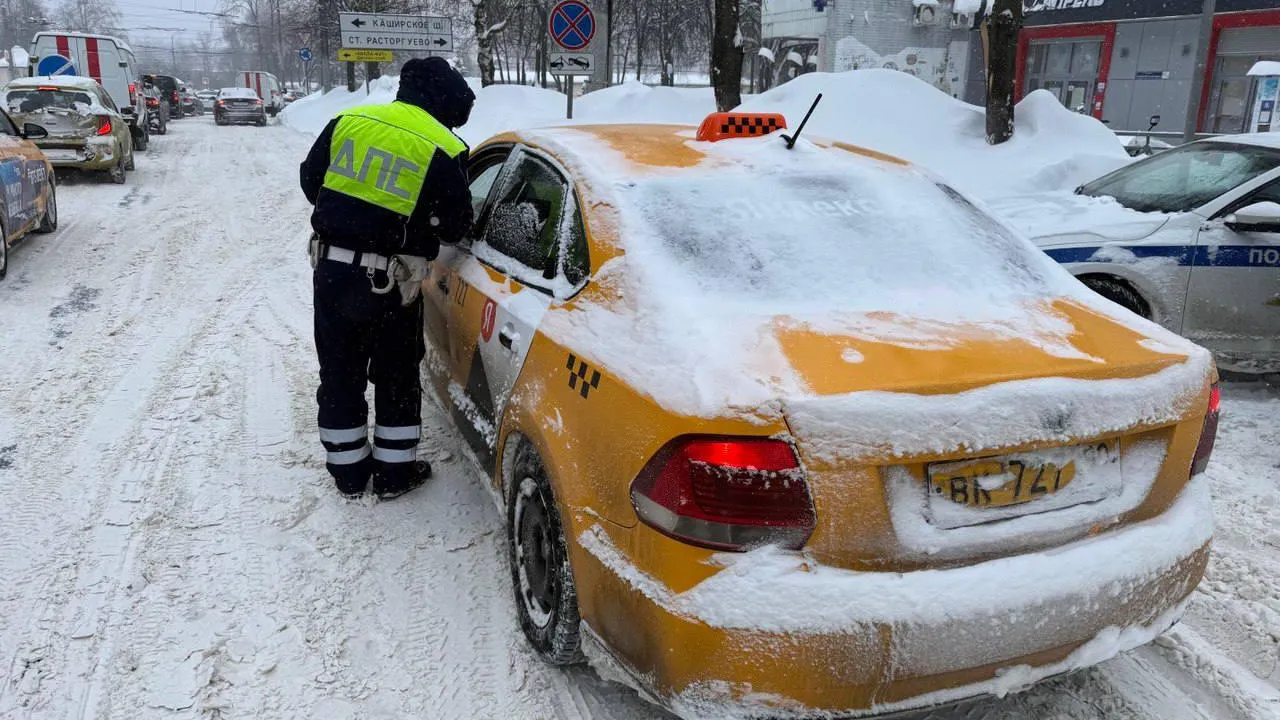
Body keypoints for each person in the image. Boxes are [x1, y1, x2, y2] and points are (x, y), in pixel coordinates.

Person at [299, 57, 476, 499]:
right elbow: (456, 225)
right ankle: (395, 475)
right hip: (392, 284)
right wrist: (415, 224)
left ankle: (348, 473)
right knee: (395, 375)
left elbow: (310, 180)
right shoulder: (443, 146)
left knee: (339, 369)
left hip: (332, 272)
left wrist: (353, 215)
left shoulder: (350, 120)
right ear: (445, 103)